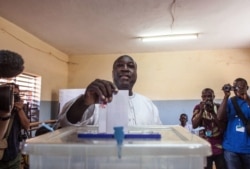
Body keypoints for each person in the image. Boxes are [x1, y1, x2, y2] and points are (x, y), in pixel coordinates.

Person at [58, 55, 162, 127]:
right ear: (113, 73)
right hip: (103, 159)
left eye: (130, 66)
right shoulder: (96, 100)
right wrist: (84, 102)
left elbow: (160, 135)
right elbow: (65, 123)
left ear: (136, 73)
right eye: (120, 65)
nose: (125, 69)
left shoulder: (148, 104)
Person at [217, 78, 250, 169]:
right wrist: (226, 96)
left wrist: (247, 99)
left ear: (247, 88)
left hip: (248, 148)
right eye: (236, 87)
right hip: (231, 148)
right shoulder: (230, 101)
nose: (239, 90)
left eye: (242, 87)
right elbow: (219, 117)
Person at [192, 88, 226, 169]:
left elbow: (223, 127)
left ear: (213, 96)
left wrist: (213, 113)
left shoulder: (219, 107)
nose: (207, 98)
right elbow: (194, 125)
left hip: (219, 146)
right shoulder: (198, 107)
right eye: (204, 96)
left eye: (209, 96)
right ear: (201, 97)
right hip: (205, 146)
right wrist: (201, 111)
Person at [0, 83, 30, 169]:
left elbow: (27, 126)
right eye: (12, 94)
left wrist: (20, 110)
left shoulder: (18, 111)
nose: (14, 98)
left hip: (14, 156)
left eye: (17, 95)